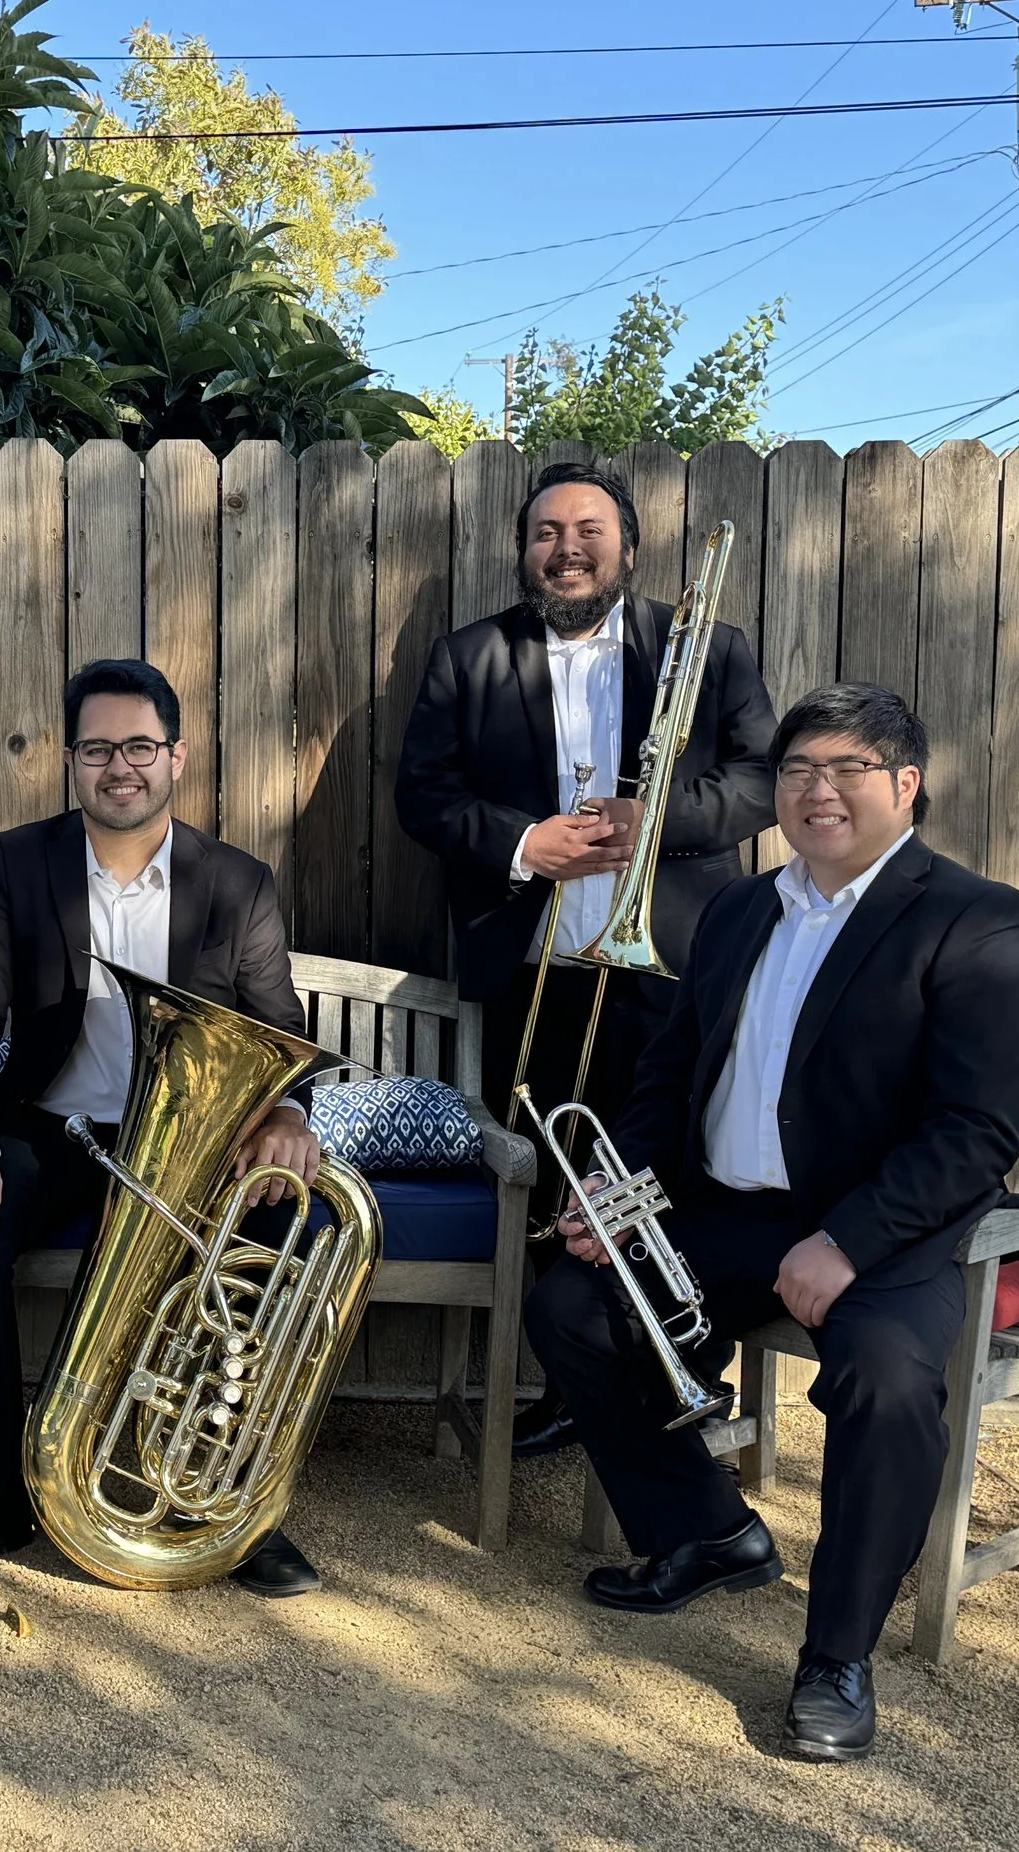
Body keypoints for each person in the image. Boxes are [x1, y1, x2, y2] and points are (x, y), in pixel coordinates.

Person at [525, 684, 1019, 1761]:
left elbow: (972, 1133)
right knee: (573, 1304)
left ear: (904, 786)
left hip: (877, 1234)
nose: (817, 791)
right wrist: (613, 1186)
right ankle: (708, 1533)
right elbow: (671, 1074)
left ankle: (837, 1657)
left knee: (891, 1383)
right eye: (799, 770)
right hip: (722, 1215)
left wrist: (846, 1241)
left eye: (847, 769)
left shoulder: (975, 919)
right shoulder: (739, 907)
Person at [0, 658, 326, 1597]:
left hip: (191, 1151)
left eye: (139, 746)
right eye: (98, 748)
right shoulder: (18, 862)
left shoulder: (238, 882)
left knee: (289, 1229)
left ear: (177, 757)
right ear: (70, 759)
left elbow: (281, 1029)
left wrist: (286, 1113)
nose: (119, 766)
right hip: (57, 1135)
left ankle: (235, 1509)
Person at [394, 460, 776, 1458]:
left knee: (670, 1181)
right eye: (546, 532)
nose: (566, 549)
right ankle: (572, 1382)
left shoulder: (712, 649)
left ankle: (685, 1374)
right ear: (523, 551)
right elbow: (422, 799)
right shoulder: (468, 656)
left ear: (628, 546)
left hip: (671, 970)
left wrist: (656, 818)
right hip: (536, 968)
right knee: (551, 1187)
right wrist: (529, 844)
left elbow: (762, 784)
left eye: (588, 530)